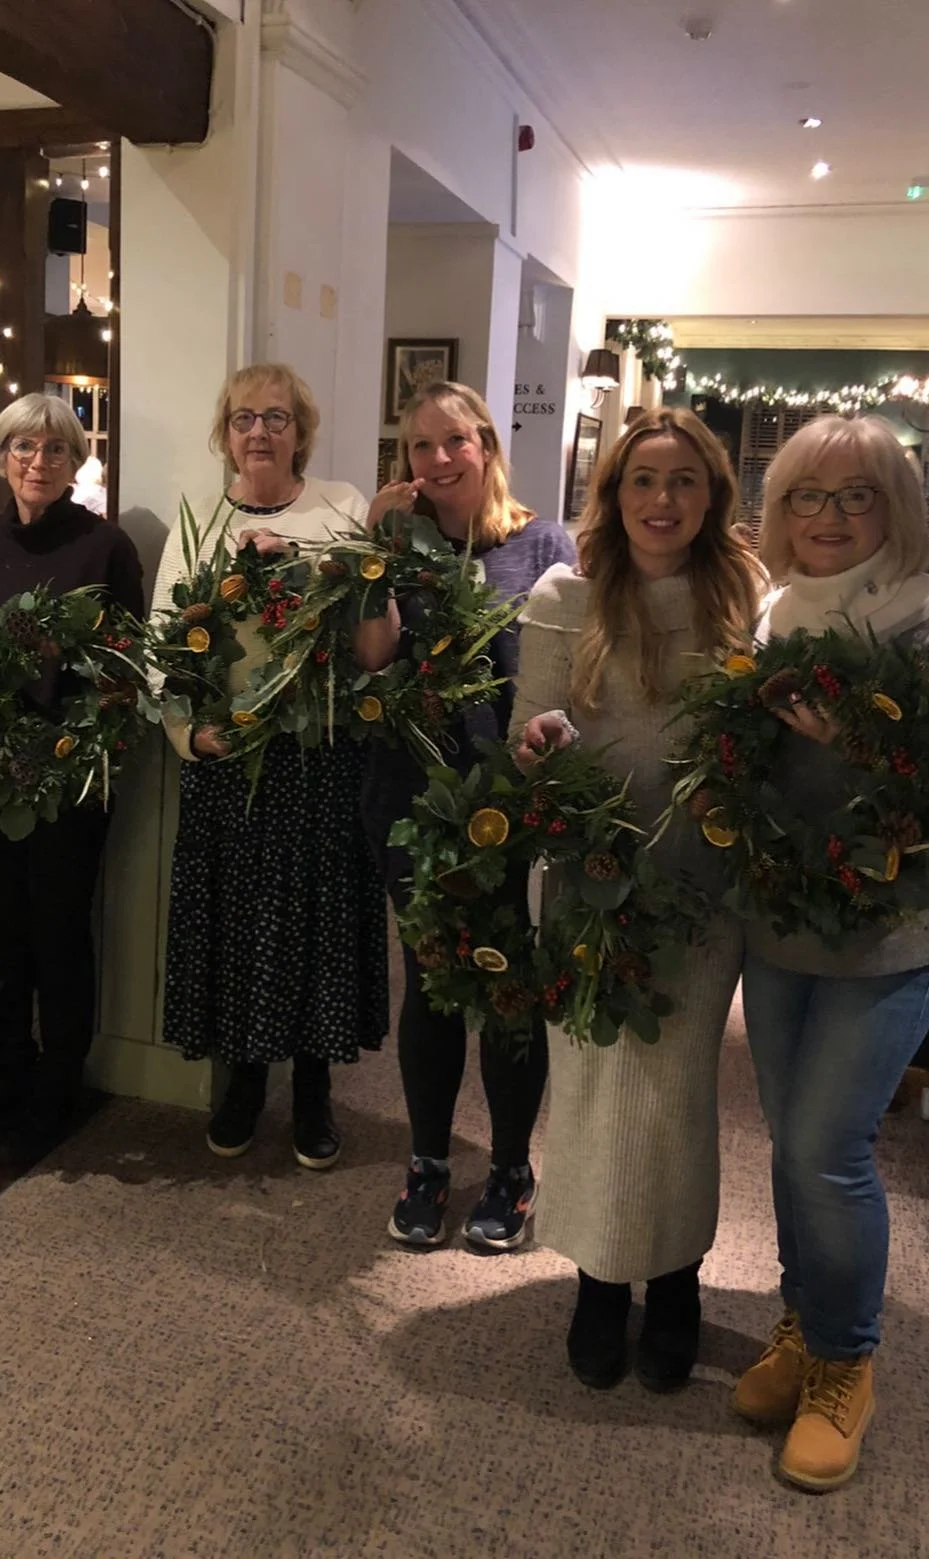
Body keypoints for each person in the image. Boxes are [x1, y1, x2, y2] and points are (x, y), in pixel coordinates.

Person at [730, 414, 929, 1490]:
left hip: (893, 930)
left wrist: (863, 747)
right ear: (779, 510)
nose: (828, 517)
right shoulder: (768, 613)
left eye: (855, 496)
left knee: (823, 1148)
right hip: (781, 918)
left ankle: (847, 1361)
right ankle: (803, 1321)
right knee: (788, 1145)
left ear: (896, 507)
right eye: (806, 495)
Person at [510, 407, 759, 1389]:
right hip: (586, 882)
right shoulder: (564, 596)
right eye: (642, 480)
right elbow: (532, 732)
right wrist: (540, 747)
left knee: (672, 1096)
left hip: (700, 893)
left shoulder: (747, 598)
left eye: (683, 480)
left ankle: (678, 1280)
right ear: (613, 493)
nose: (662, 500)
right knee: (590, 1087)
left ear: (711, 496)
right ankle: (597, 1281)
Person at [353, 381, 575, 1252]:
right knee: (435, 984)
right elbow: (374, 658)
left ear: (487, 443)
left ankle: (514, 1165)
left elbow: (566, 678)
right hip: (412, 800)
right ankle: (429, 1161)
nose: (439, 460)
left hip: (513, 801)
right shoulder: (399, 547)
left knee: (510, 984)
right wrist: (374, 552)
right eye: (420, 446)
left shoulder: (544, 545)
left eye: (455, 441)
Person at [150, 363, 387, 1169]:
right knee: (239, 923)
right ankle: (245, 1083)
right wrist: (191, 736)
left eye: (277, 418)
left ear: (301, 432)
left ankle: (314, 1091)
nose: (260, 432)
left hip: (316, 759)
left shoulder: (341, 508)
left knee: (315, 923)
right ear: (225, 432)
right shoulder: (199, 522)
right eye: (245, 417)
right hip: (228, 756)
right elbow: (162, 646)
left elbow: (366, 636)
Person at [0, 393, 143, 1165]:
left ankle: (57, 1089)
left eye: (54, 449)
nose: (38, 462)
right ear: (0, 456)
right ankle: (1, 1073)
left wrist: (78, 747)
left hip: (67, 779)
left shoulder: (105, 547)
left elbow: (124, 670)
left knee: (58, 934)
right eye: (23, 448)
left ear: (76, 460)